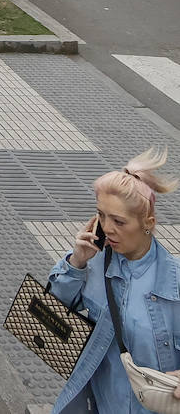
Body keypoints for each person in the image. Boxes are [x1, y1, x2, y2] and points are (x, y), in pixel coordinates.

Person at [48, 148, 180, 413]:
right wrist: (76, 263)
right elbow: (51, 315)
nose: (107, 228)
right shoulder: (92, 263)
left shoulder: (173, 282)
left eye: (119, 221)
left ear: (148, 223)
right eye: (102, 215)